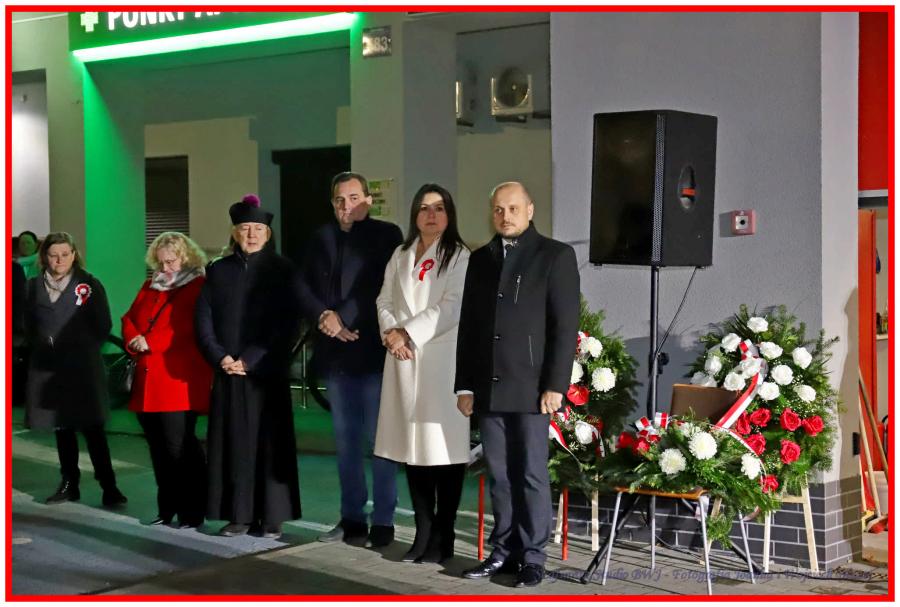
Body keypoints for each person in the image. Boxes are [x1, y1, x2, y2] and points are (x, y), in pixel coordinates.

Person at [455, 182, 580, 587]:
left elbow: (564, 326)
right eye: (498, 209)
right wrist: (465, 385)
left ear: (530, 210)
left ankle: (533, 556)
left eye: (512, 208)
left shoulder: (555, 256)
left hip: (532, 389)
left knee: (530, 474)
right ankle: (503, 551)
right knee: (500, 475)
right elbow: (469, 327)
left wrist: (555, 384)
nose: (504, 216)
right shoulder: (481, 259)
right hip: (489, 387)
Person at [296, 172, 403, 548]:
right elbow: (301, 284)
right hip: (335, 355)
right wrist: (322, 316)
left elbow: (380, 286)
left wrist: (342, 317)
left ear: (368, 200)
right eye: (340, 200)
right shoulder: (320, 237)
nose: (347, 206)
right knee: (346, 444)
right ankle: (352, 518)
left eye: (354, 198)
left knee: (381, 442)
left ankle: (384, 520)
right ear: (332, 203)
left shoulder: (387, 235)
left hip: (373, 352)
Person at [373, 184, 471, 563]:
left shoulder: (459, 256)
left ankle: (444, 536)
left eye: (439, 208)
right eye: (425, 208)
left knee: (443, 452)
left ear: (449, 215)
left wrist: (408, 332)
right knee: (411, 452)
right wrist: (391, 333)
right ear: (415, 214)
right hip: (401, 361)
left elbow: (452, 306)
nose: (431, 215)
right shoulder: (400, 254)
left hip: (440, 364)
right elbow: (384, 299)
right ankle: (423, 532)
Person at [195, 195, 302, 540]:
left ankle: (271, 516)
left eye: (258, 229)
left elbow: (287, 323)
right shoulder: (218, 270)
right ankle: (238, 514)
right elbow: (203, 319)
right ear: (234, 233)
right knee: (233, 444)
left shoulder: (283, 270)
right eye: (245, 228)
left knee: (270, 445)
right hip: (228, 371)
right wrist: (220, 357)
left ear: (268, 234)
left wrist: (251, 358)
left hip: (265, 373)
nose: (251, 235)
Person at [24, 232, 128, 507]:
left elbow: (102, 324)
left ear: (74, 255)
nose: (59, 260)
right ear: (44, 257)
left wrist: (79, 346)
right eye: (53, 255)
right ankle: (69, 483)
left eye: (65, 254)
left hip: (83, 368)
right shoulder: (33, 286)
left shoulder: (89, 284)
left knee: (93, 430)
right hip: (50, 368)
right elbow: (27, 323)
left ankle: (109, 486)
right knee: (62, 429)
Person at [122, 232, 211, 529]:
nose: (165, 268)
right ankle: (167, 507)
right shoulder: (150, 285)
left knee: (180, 448)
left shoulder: (197, 286)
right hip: (148, 381)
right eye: (160, 263)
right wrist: (133, 338)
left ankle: (193, 510)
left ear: (186, 257)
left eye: (171, 262)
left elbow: (189, 327)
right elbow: (129, 318)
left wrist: (151, 342)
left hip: (177, 381)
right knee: (158, 450)